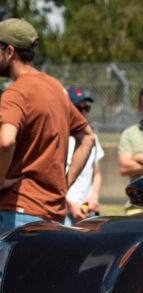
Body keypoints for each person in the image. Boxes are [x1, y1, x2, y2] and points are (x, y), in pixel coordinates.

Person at [0, 18, 94, 233]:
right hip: (53, 214)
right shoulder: (56, 87)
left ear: (10, 51)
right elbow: (87, 137)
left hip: (16, 211)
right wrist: (63, 185)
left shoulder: (16, 92)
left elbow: (5, 141)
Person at [65, 87, 104, 225]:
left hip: (88, 212)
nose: (83, 112)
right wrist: (71, 204)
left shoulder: (91, 137)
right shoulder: (61, 138)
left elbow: (97, 174)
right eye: (78, 108)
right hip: (65, 213)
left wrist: (94, 196)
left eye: (86, 108)